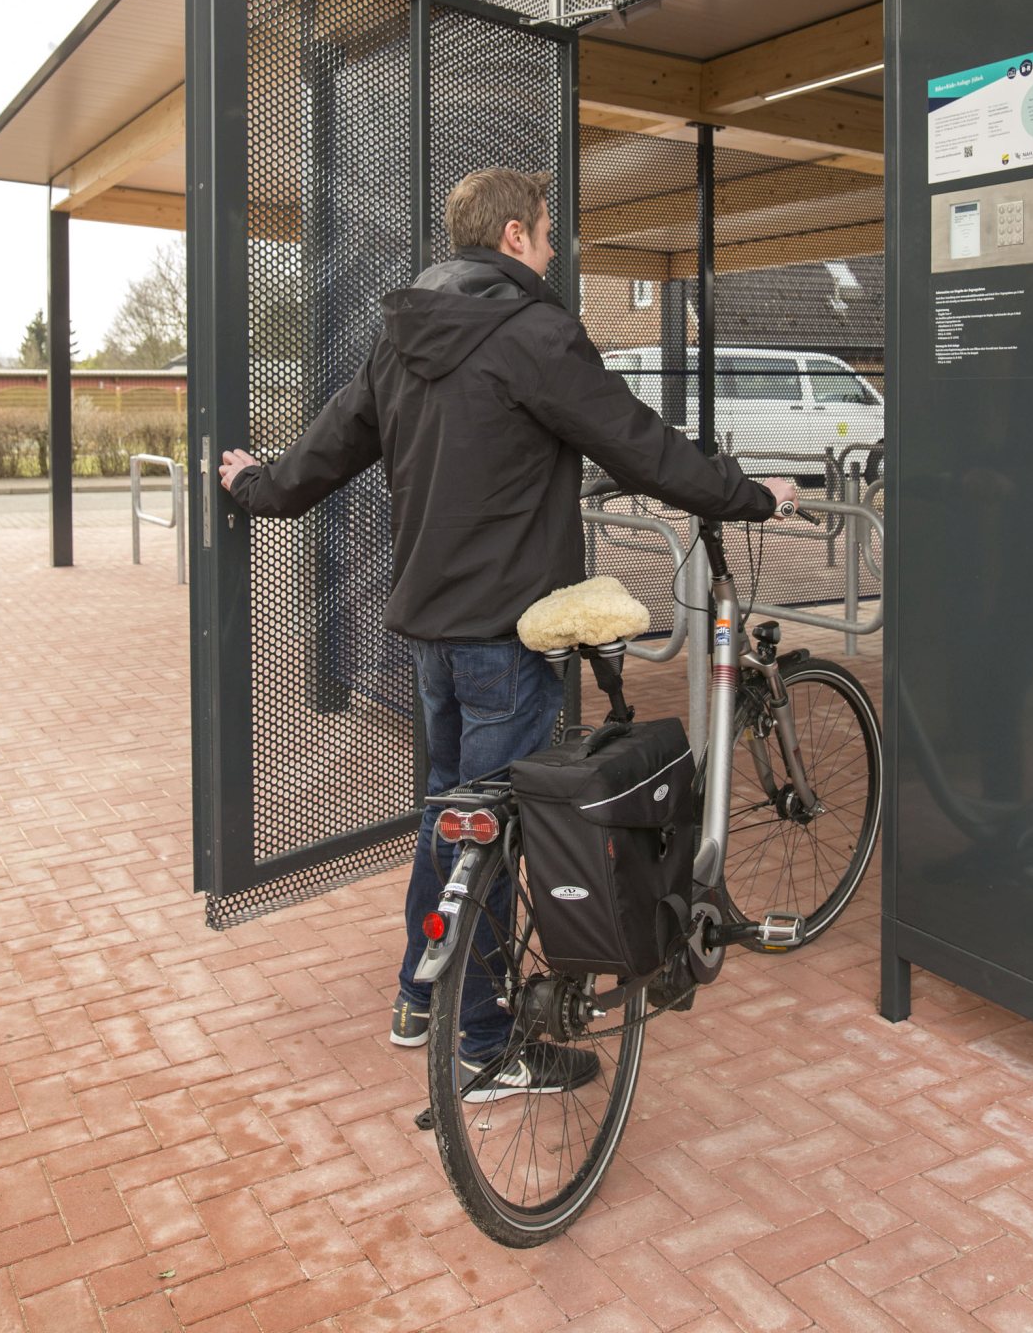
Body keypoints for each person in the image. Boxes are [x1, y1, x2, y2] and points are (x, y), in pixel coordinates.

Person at [219, 167, 797, 1097]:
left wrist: (254, 484)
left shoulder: (401, 339)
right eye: (548, 233)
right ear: (516, 238)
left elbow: (323, 454)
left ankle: (424, 994)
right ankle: (484, 1044)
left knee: (450, 808)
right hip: (511, 634)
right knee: (489, 825)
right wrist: (749, 494)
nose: (557, 249)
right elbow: (638, 443)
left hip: (431, 634)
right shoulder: (533, 334)